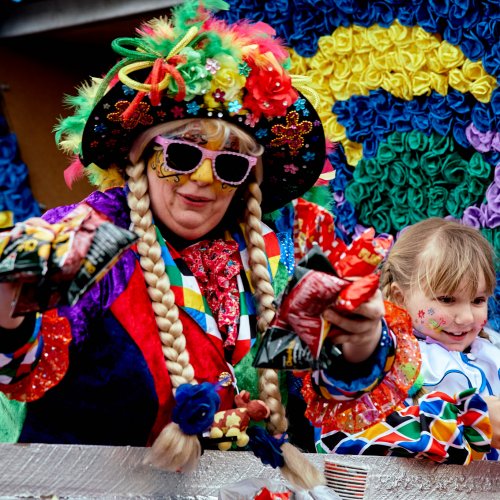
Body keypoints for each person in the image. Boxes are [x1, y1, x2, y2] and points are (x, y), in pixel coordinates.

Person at [0, 0, 497, 487]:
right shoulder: (94, 236)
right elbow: (24, 363)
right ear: (139, 153)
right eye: (181, 154)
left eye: (231, 165)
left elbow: (336, 393)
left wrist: (360, 342)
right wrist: (9, 305)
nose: (202, 179)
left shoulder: (290, 247)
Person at [316, 217, 500, 463]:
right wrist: (469, 421)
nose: (466, 317)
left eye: (478, 300)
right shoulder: (377, 359)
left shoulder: (492, 355)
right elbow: (339, 437)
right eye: (446, 299)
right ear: (400, 298)